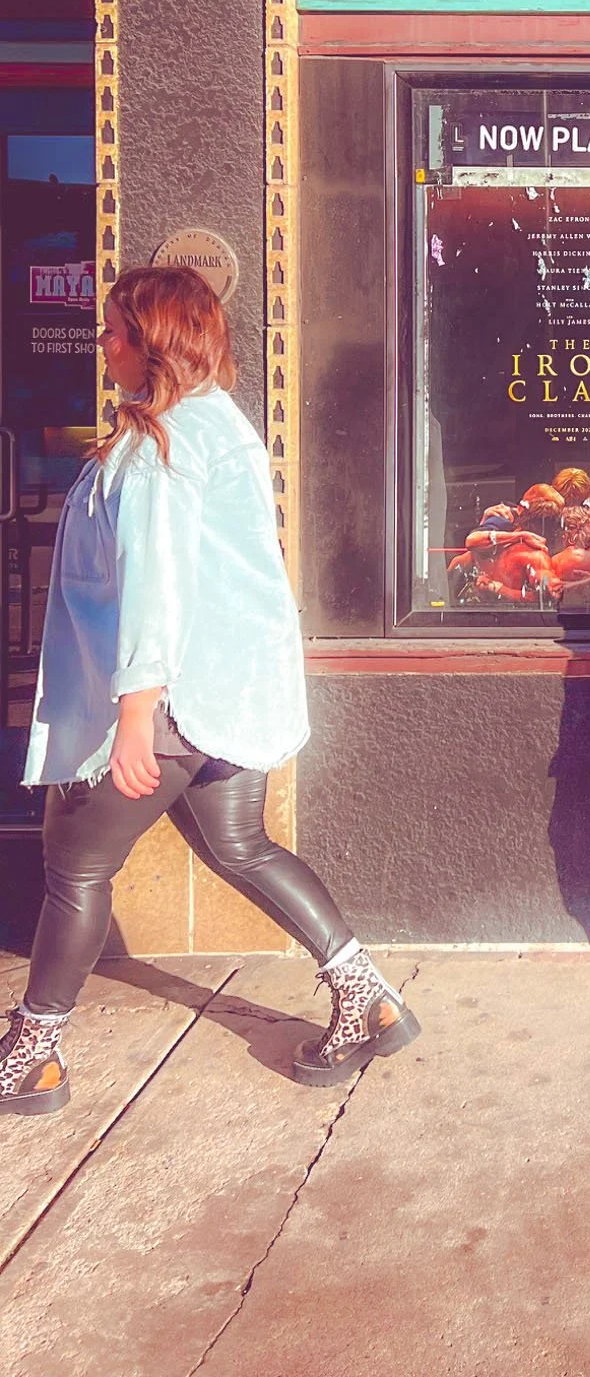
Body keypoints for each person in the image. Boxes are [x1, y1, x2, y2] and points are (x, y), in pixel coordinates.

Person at [1, 265, 419, 1118]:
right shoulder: (207, 424)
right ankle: (367, 997)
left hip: (173, 702)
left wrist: (132, 719)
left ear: (153, 339)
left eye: (114, 329)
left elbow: (156, 586)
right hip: (226, 692)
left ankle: (33, 1055)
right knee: (241, 848)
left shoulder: (165, 443)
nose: (101, 342)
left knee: (74, 868)